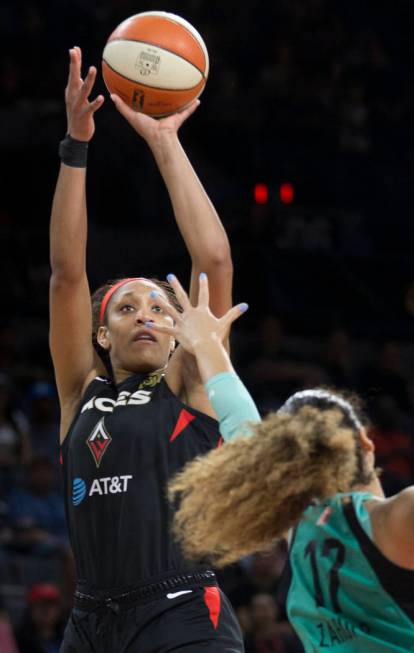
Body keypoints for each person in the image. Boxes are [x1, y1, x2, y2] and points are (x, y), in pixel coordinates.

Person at [50, 47, 243, 652]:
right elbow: (66, 274)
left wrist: (164, 140)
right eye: (128, 309)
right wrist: (76, 145)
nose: (148, 317)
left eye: (161, 308)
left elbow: (212, 260)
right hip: (89, 624)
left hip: (181, 612)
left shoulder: (189, 380)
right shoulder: (82, 392)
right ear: (100, 334)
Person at [162, 290, 414, 652]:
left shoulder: (299, 528)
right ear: (366, 442)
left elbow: (241, 427)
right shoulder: (398, 517)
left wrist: (207, 346)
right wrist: (206, 345)